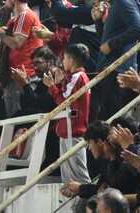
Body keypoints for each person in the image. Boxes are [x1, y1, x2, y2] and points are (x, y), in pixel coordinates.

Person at [92, 0, 140, 119]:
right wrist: (98, 21)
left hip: (118, 72)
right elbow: (104, 41)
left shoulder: (123, 2)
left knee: (114, 121)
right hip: (110, 70)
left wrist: (111, 44)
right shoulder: (114, 4)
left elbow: (139, 29)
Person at [0, 0, 44, 117]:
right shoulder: (17, 18)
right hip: (17, 76)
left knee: (17, 119)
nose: (5, 0)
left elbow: (16, 43)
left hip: (23, 75)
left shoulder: (24, 15)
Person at [43, 43, 92, 185]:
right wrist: (58, 84)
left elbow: (64, 102)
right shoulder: (74, 77)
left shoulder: (78, 77)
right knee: (69, 179)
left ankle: (89, 197)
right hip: (68, 131)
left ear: (71, 60)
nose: (63, 62)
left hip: (73, 131)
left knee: (80, 176)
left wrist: (52, 86)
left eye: (64, 58)